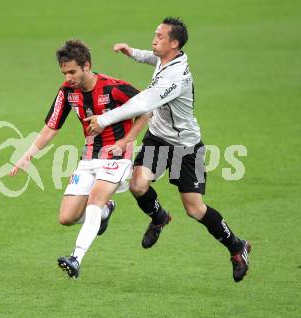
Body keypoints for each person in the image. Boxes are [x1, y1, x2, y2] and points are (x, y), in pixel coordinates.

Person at [86, 17, 251, 282]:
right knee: (137, 185)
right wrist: (134, 53)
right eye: (155, 35)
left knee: (195, 209)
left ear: (174, 43)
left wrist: (104, 119)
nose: (154, 39)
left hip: (186, 147)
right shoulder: (167, 60)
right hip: (158, 138)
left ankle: (237, 246)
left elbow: (143, 102)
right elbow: (154, 60)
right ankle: (160, 217)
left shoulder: (176, 77)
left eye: (160, 37)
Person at [9, 40, 150, 279]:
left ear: (87, 66)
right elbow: (51, 128)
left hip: (116, 156)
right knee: (67, 218)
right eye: (64, 72)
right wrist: (27, 156)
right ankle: (105, 212)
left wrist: (126, 141)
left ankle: (76, 257)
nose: (68, 77)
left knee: (94, 199)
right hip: (89, 157)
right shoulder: (66, 92)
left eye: (72, 72)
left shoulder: (114, 88)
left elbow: (147, 110)